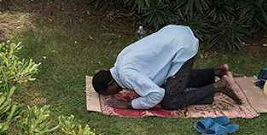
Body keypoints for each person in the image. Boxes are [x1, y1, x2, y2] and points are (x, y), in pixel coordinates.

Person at [91, 24, 241, 110]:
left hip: (182, 47)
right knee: (172, 84)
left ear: (111, 84)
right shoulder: (120, 61)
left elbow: (157, 94)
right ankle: (217, 71)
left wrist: (130, 104)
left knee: (170, 101)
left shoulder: (126, 75)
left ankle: (219, 86)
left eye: (108, 93)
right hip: (176, 33)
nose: (113, 95)